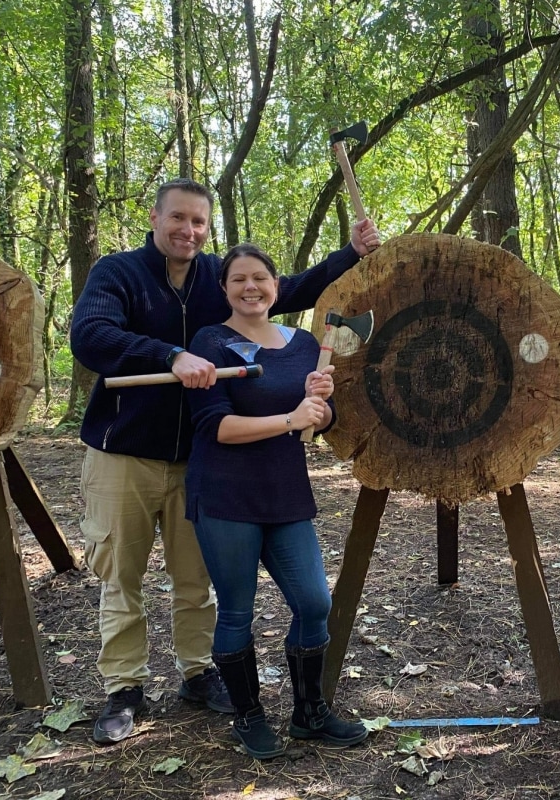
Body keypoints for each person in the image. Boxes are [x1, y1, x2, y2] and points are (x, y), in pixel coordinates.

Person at [71, 178, 380, 745]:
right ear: (156, 217)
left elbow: (283, 290)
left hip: (201, 461)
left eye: (199, 223)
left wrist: (350, 253)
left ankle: (197, 673)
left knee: (196, 580)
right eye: (179, 219)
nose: (188, 231)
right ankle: (124, 689)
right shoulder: (118, 274)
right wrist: (169, 353)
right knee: (122, 574)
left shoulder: (217, 281)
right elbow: (90, 336)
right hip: (126, 452)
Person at [183, 243, 365, 758]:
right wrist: (289, 419)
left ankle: (310, 714)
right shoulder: (210, 341)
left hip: (285, 493)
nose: (250, 288)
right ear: (224, 289)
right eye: (238, 279)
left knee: (313, 602)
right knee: (237, 609)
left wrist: (319, 408)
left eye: (260, 278)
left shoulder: (306, 343)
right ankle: (249, 716)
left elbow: (325, 420)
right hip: (224, 494)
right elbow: (215, 425)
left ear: (276, 286)